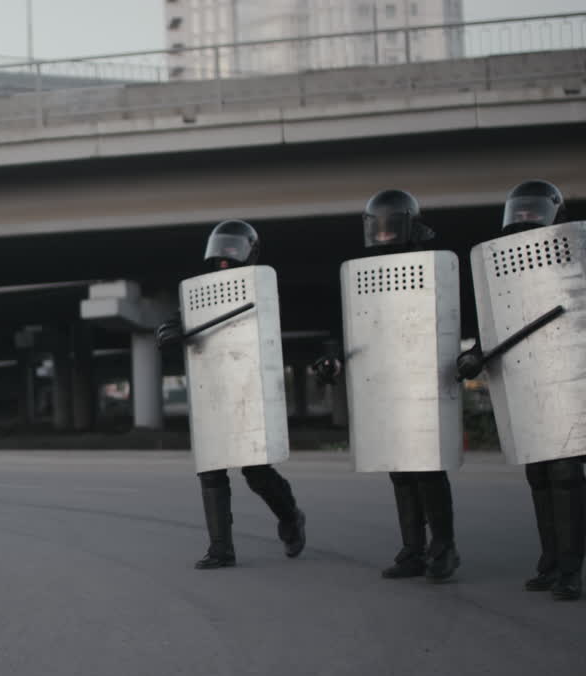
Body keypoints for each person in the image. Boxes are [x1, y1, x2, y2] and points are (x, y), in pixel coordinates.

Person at [314, 189, 460, 581]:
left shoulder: (431, 266)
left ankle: (444, 549)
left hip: (424, 376)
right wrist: (333, 357)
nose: (383, 233)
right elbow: (352, 328)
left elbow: (449, 318)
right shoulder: (364, 275)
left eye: (390, 225)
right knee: (399, 468)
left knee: (427, 466)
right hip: (384, 380)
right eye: (377, 226)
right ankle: (413, 549)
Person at [457, 180, 583, 601]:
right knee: (540, 473)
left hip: (569, 379)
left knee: (566, 474)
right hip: (528, 381)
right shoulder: (500, 267)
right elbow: (494, 326)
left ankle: (570, 569)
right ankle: (551, 560)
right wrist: (473, 356)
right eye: (521, 211)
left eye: (534, 211)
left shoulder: (576, 260)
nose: (526, 218)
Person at [158, 220, 306, 569]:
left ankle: (291, 516)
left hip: (250, 386)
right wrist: (168, 331)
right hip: (212, 385)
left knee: (255, 469)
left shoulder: (262, 287)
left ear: (247, 252)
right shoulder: (201, 293)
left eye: (231, 249)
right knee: (211, 468)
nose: (224, 257)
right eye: (220, 249)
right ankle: (220, 548)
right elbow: (176, 320)